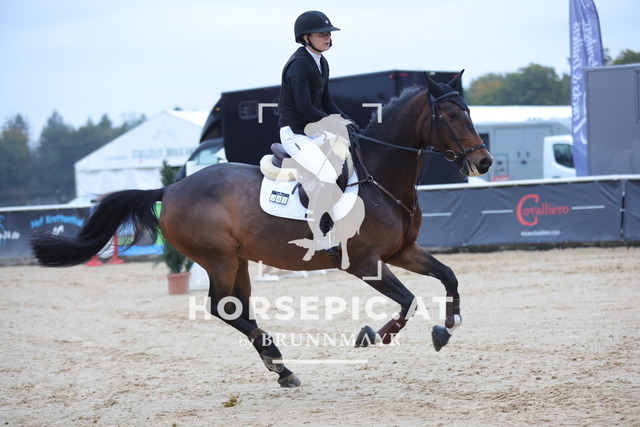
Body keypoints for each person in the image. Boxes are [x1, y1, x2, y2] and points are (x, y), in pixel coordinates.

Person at [277, 10, 356, 258]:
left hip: (313, 131)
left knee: (350, 160)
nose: (327, 37)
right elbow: (304, 107)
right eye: (322, 34)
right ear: (305, 37)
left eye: (328, 34)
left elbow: (326, 101)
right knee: (327, 174)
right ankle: (321, 233)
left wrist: (346, 122)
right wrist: (332, 124)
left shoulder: (321, 62)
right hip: (295, 133)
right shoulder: (299, 65)